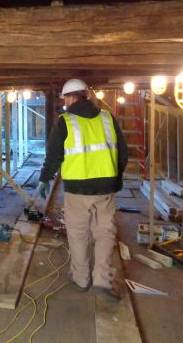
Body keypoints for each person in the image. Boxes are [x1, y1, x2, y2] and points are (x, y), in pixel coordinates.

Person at [36, 79, 128, 299]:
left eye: (64, 98)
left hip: (76, 189)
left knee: (78, 235)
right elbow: (123, 153)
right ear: (85, 95)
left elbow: (54, 156)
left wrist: (44, 179)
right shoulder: (107, 118)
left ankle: (81, 279)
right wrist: (116, 179)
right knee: (105, 233)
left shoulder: (65, 122)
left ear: (69, 98)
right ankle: (103, 281)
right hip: (105, 188)